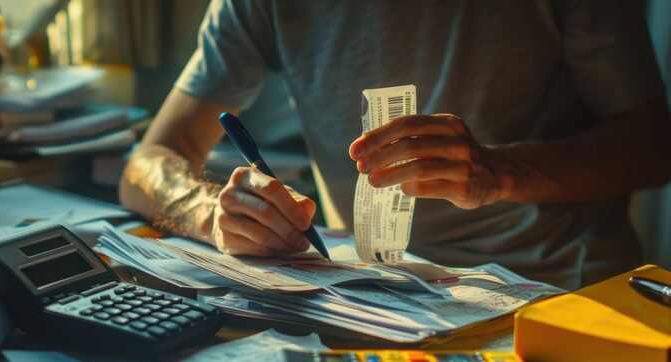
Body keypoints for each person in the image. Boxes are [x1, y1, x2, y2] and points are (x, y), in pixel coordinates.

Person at [119, 0, 670, 290]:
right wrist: (213, 211)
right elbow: (147, 162)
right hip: (375, 293)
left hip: (552, 293)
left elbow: (653, 145)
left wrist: (501, 172)